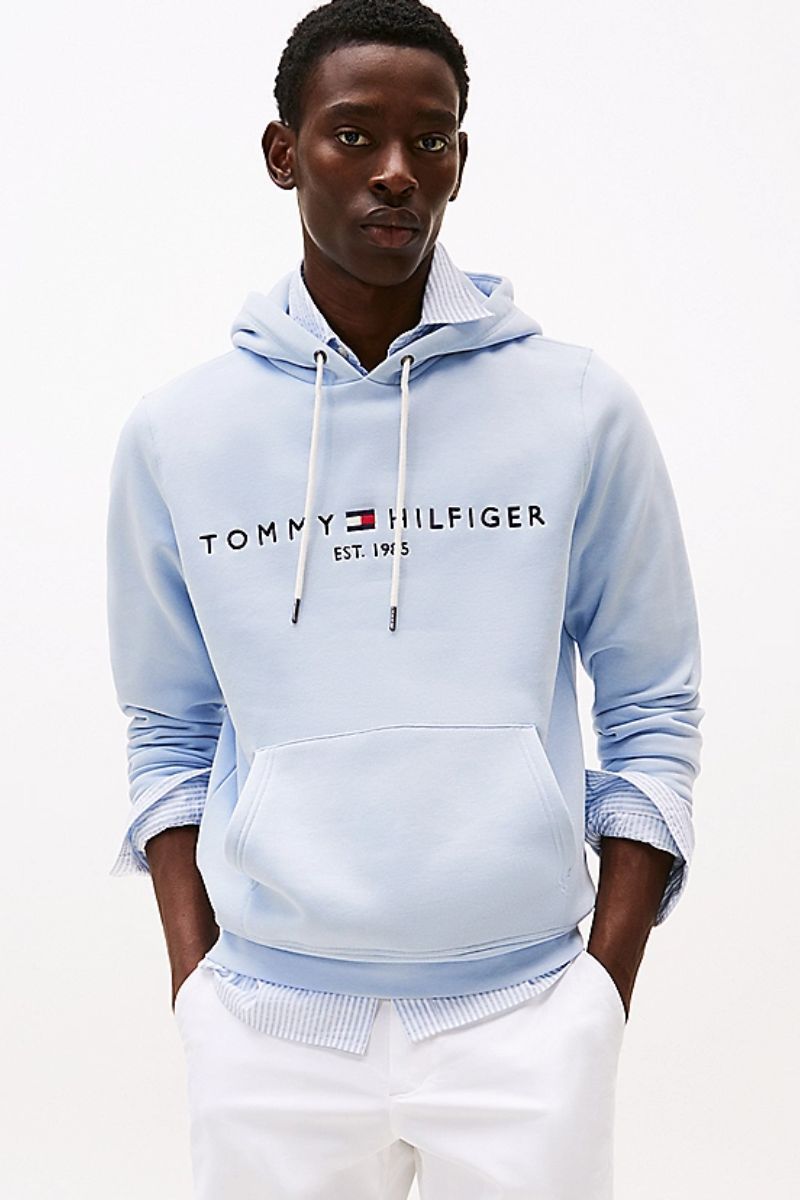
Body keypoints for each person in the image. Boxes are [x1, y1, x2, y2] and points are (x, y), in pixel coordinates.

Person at [105, 1, 704, 1196]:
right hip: (267, 1030)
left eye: (429, 140)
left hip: (523, 1017)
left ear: (459, 160)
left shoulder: (576, 407)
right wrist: (196, 986)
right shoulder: (180, 434)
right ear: (283, 153)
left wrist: (597, 994)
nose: (396, 171)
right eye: (353, 134)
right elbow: (167, 727)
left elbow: (653, 706)